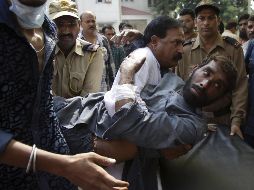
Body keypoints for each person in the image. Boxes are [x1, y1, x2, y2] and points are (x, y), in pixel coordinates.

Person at [55, 53, 237, 190]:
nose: (205, 83)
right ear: (195, 68)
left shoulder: (192, 127)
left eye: (217, 85)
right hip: (73, 107)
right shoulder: (169, 80)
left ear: (221, 98)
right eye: (206, 73)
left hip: (78, 134)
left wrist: (126, 73)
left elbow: (132, 121)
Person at [0, 0, 129, 189]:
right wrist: (63, 165)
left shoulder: (48, 29)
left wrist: (68, 162)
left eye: (71, 24)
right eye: (62, 24)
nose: (66, 30)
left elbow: (44, 109)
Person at [177, 0, 248, 139]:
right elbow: (178, 85)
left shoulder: (233, 49)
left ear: (218, 21)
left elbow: (240, 87)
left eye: (211, 18)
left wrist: (236, 121)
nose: (206, 23)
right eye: (202, 18)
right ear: (196, 22)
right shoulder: (185, 50)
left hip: (223, 120)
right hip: (192, 119)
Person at [104, 16, 184, 117]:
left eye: (182, 44)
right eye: (176, 43)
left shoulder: (156, 62)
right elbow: (126, 113)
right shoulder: (142, 59)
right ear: (154, 41)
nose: (181, 50)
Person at [49, 0, 104, 98]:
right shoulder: (41, 52)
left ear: (79, 25)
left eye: (71, 24)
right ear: (49, 25)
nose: (66, 30)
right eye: (60, 24)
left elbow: (88, 99)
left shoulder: (93, 54)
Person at [80, 10, 115, 91]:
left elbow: (110, 66)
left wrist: (112, 89)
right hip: (84, 92)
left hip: (103, 90)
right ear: (80, 24)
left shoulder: (103, 40)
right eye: (88, 21)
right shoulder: (77, 41)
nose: (91, 24)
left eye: (93, 21)